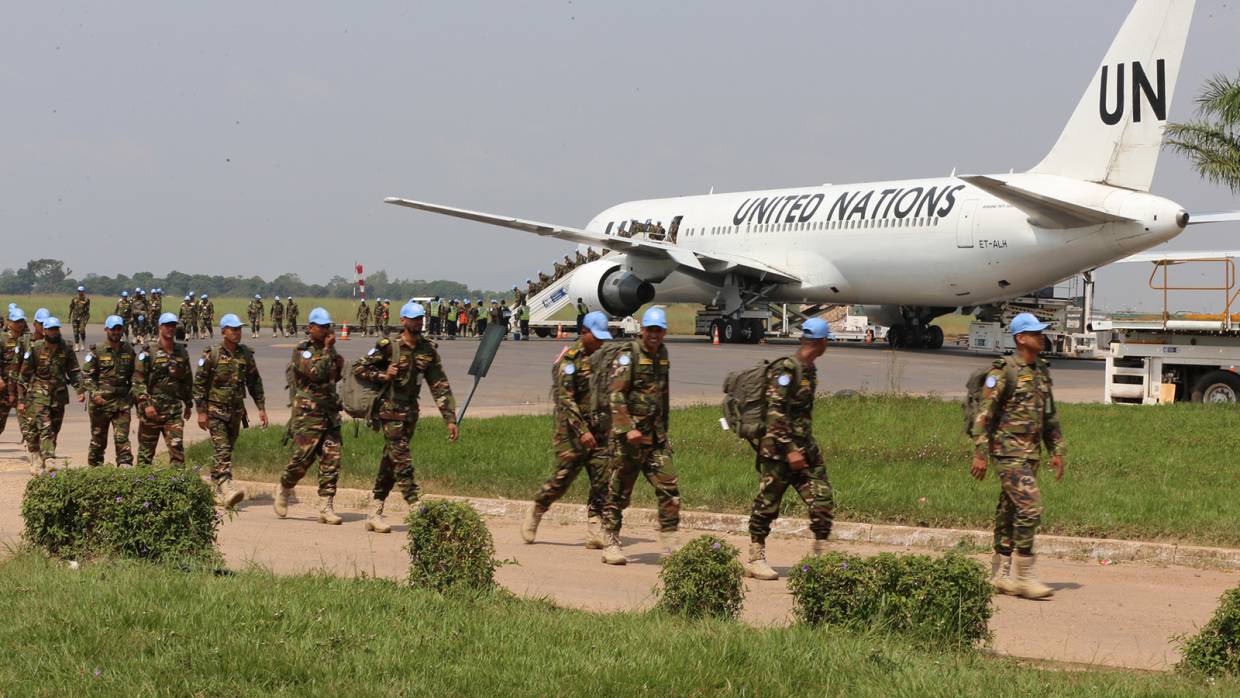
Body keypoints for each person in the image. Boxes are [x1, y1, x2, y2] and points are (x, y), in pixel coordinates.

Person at [971, 312, 1066, 600]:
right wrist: (980, 454)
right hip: (1007, 453)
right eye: (1036, 333)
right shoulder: (1003, 372)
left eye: (1042, 332)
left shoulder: (1041, 371)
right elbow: (984, 415)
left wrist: (1057, 450)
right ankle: (1025, 576)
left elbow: (1049, 415)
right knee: (1031, 508)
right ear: (1020, 338)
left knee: (1009, 511)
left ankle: (1000, 574)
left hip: (1030, 455)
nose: (1042, 337)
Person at [742, 318, 835, 581]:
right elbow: (775, 414)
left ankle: (821, 556)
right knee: (768, 504)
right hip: (779, 452)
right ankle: (755, 557)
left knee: (822, 499)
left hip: (806, 449)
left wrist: (803, 448)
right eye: (827, 341)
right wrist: (791, 450)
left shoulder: (810, 370)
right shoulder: (786, 370)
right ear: (820, 342)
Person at [353, 301, 459, 533]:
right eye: (414, 319)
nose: (419, 323)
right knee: (402, 458)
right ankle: (416, 507)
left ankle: (375, 509)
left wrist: (449, 418)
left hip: (410, 413)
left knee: (390, 461)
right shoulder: (388, 346)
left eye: (421, 319)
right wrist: (382, 374)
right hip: (389, 411)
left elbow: (439, 384)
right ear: (403, 321)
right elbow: (358, 368)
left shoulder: (427, 350)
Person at [522, 311, 613, 548]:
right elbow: (566, 400)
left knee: (602, 480)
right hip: (572, 433)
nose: (601, 342)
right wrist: (582, 431)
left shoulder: (603, 358)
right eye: (597, 336)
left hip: (599, 430)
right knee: (561, 480)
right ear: (584, 333)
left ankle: (595, 528)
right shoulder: (570, 361)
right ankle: (537, 510)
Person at [600, 307, 680, 565]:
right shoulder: (629, 355)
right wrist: (627, 428)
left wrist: (664, 432)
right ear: (642, 330)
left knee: (669, 488)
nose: (655, 335)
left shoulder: (663, 354)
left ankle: (668, 543)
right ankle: (610, 541)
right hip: (628, 440)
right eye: (650, 330)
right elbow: (616, 394)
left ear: (664, 332)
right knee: (619, 492)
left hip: (655, 439)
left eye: (659, 330)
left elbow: (663, 396)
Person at [274, 308, 345, 525]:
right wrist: (327, 351)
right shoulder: (302, 351)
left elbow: (335, 375)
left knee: (332, 458)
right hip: (308, 413)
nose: (326, 330)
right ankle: (285, 486)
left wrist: (333, 356)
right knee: (303, 458)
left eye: (328, 327)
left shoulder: (330, 350)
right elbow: (316, 373)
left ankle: (326, 505)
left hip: (329, 412)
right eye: (321, 327)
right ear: (311, 328)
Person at [193, 313, 268, 508]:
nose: (237, 333)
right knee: (223, 450)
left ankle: (215, 489)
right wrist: (201, 412)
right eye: (233, 329)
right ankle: (227, 487)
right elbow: (199, 384)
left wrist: (261, 407)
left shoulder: (245, 354)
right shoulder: (212, 354)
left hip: (236, 412)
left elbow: (255, 382)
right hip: (215, 411)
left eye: (239, 329)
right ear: (223, 331)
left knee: (225, 451)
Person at [17, 316, 83, 474]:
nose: (54, 332)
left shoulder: (66, 348)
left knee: (54, 428)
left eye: (56, 329)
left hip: (58, 395)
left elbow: (74, 371)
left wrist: (79, 390)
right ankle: (48, 458)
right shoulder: (36, 348)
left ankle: (41, 456)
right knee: (45, 426)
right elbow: (23, 376)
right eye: (51, 329)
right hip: (39, 393)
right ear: (45, 331)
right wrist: (21, 399)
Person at [133, 312, 193, 467]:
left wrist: (189, 403)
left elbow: (186, 379)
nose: (171, 329)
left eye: (173, 326)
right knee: (145, 455)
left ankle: (177, 486)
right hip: (152, 411)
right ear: (160, 327)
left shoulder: (181, 351)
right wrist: (146, 405)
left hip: (173, 411)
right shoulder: (148, 351)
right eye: (167, 326)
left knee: (177, 452)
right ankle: (142, 487)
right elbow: (138, 381)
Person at [82, 315, 137, 467]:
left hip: (122, 403)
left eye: (119, 329)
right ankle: (95, 469)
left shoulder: (129, 350)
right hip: (101, 404)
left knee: (122, 438)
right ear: (106, 329)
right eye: (113, 329)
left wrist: (134, 394)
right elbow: (86, 376)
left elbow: (136, 374)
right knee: (98, 439)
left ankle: (125, 467)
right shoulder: (97, 351)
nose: (116, 332)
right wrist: (95, 393)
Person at [68, 286, 91, 352]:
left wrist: (86, 318)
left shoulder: (86, 299)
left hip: (83, 317)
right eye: (79, 291)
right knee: (75, 331)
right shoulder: (74, 298)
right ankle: (77, 345)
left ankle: (83, 344)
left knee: (82, 330)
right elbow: (71, 307)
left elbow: (87, 309)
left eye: (81, 291)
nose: (80, 292)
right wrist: (69, 316)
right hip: (75, 317)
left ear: (84, 291)